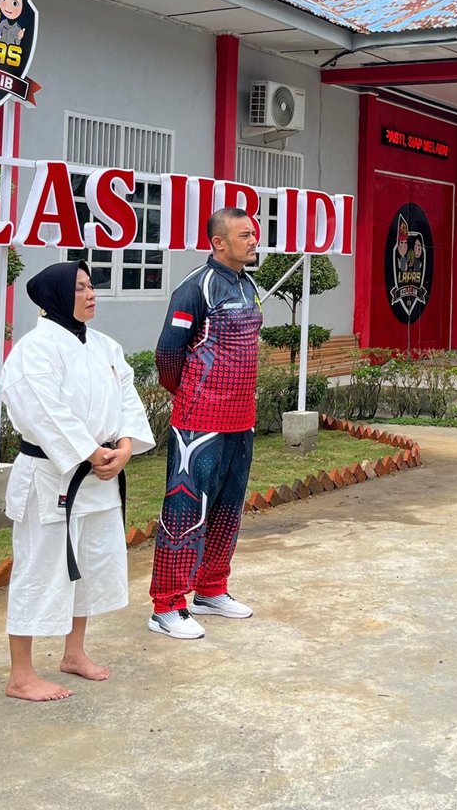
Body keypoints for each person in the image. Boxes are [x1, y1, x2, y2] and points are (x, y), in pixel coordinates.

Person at [0, 261, 155, 701]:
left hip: (100, 475)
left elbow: (127, 397)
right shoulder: (34, 349)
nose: (91, 294)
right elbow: (42, 408)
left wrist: (124, 445)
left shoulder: (105, 345)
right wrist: (87, 451)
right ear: (54, 296)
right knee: (39, 568)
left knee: (87, 565)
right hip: (53, 476)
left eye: (92, 286)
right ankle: (21, 674)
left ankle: (74, 652)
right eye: (81, 288)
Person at [147, 207, 263, 639]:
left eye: (253, 233)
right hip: (199, 423)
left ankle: (211, 589)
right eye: (244, 234)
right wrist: (193, 396)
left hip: (241, 421)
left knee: (228, 509)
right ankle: (166, 605)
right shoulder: (195, 288)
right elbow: (168, 355)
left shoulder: (247, 284)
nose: (254, 241)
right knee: (185, 511)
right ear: (218, 242)